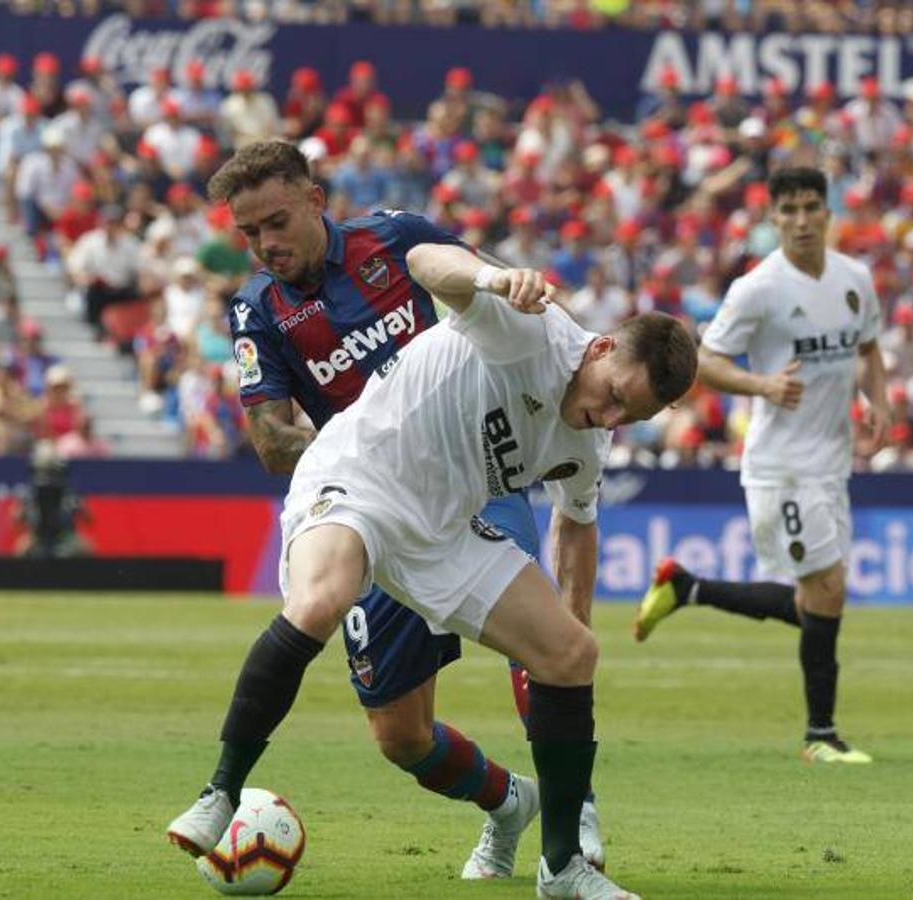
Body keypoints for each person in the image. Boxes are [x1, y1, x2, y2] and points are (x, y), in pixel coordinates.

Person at [166, 163, 697, 898]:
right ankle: (220, 793)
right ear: (602, 349)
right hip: (359, 474)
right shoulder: (528, 328)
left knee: (572, 653)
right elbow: (425, 264)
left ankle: (563, 863)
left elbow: (577, 526)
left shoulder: (588, 438)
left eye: (628, 417)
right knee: (324, 603)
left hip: (443, 526)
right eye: (612, 399)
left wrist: (559, 645)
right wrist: (489, 278)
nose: (608, 419)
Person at [633, 166, 891, 765]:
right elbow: (704, 359)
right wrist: (761, 384)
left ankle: (686, 587)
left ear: (827, 213)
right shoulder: (758, 288)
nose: (801, 220)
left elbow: (872, 349)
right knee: (825, 590)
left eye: (810, 208)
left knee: (819, 599)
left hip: (831, 464)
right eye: (789, 211)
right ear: (773, 220)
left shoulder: (856, 280)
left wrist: (877, 400)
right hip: (782, 467)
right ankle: (819, 736)